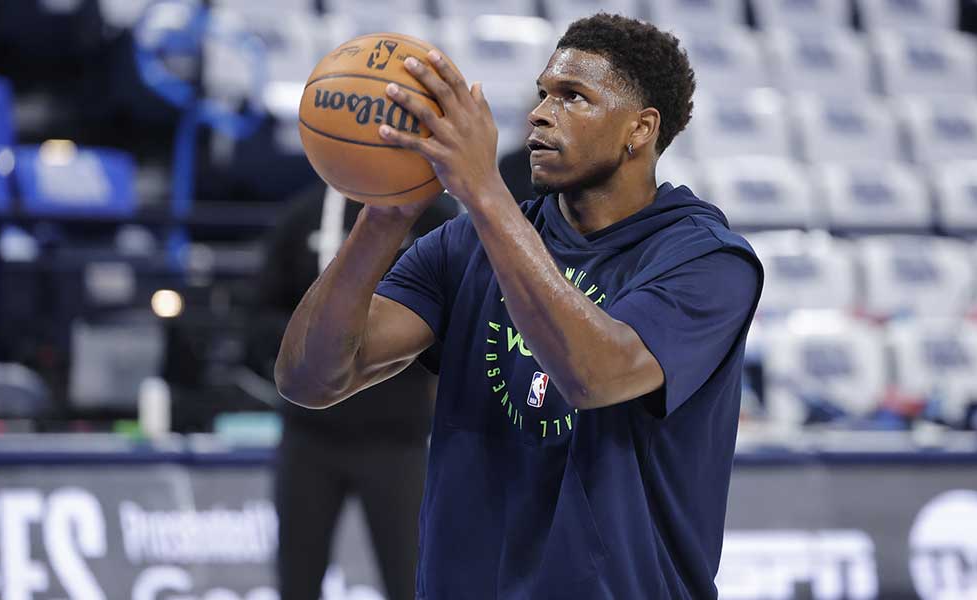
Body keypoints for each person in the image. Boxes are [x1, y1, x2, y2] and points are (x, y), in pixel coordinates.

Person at [275, 13, 764, 599]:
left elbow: (595, 374)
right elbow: (309, 376)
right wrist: (387, 212)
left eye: (572, 97)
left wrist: (482, 189)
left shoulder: (706, 260)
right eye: (541, 94)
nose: (538, 112)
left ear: (640, 128)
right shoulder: (464, 244)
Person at [251, 183, 456, 600]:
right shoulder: (300, 216)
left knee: (412, 581)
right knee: (297, 580)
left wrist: (391, 346)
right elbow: (258, 319)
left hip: (397, 438)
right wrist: (327, 342)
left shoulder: (432, 215)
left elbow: (453, 315)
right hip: (309, 435)